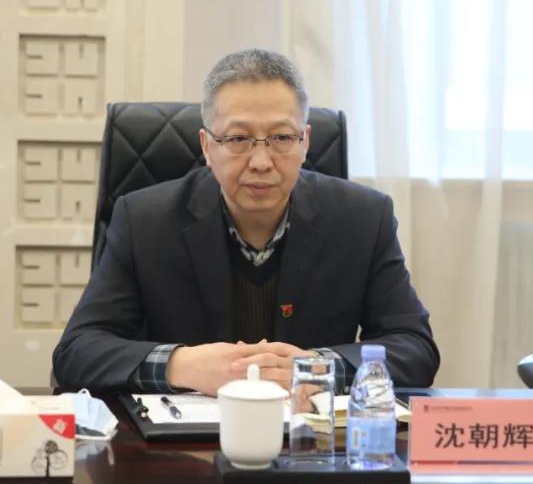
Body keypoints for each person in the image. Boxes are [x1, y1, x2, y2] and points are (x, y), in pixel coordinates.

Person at [53, 49, 439, 395]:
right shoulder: (143, 221)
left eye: (281, 138)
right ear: (207, 146)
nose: (261, 162)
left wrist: (318, 368)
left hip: (310, 442)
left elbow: (415, 348)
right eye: (238, 139)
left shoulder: (363, 218)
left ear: (306, 142)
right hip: (183, 443)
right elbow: (77, 351)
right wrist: (181, 365)